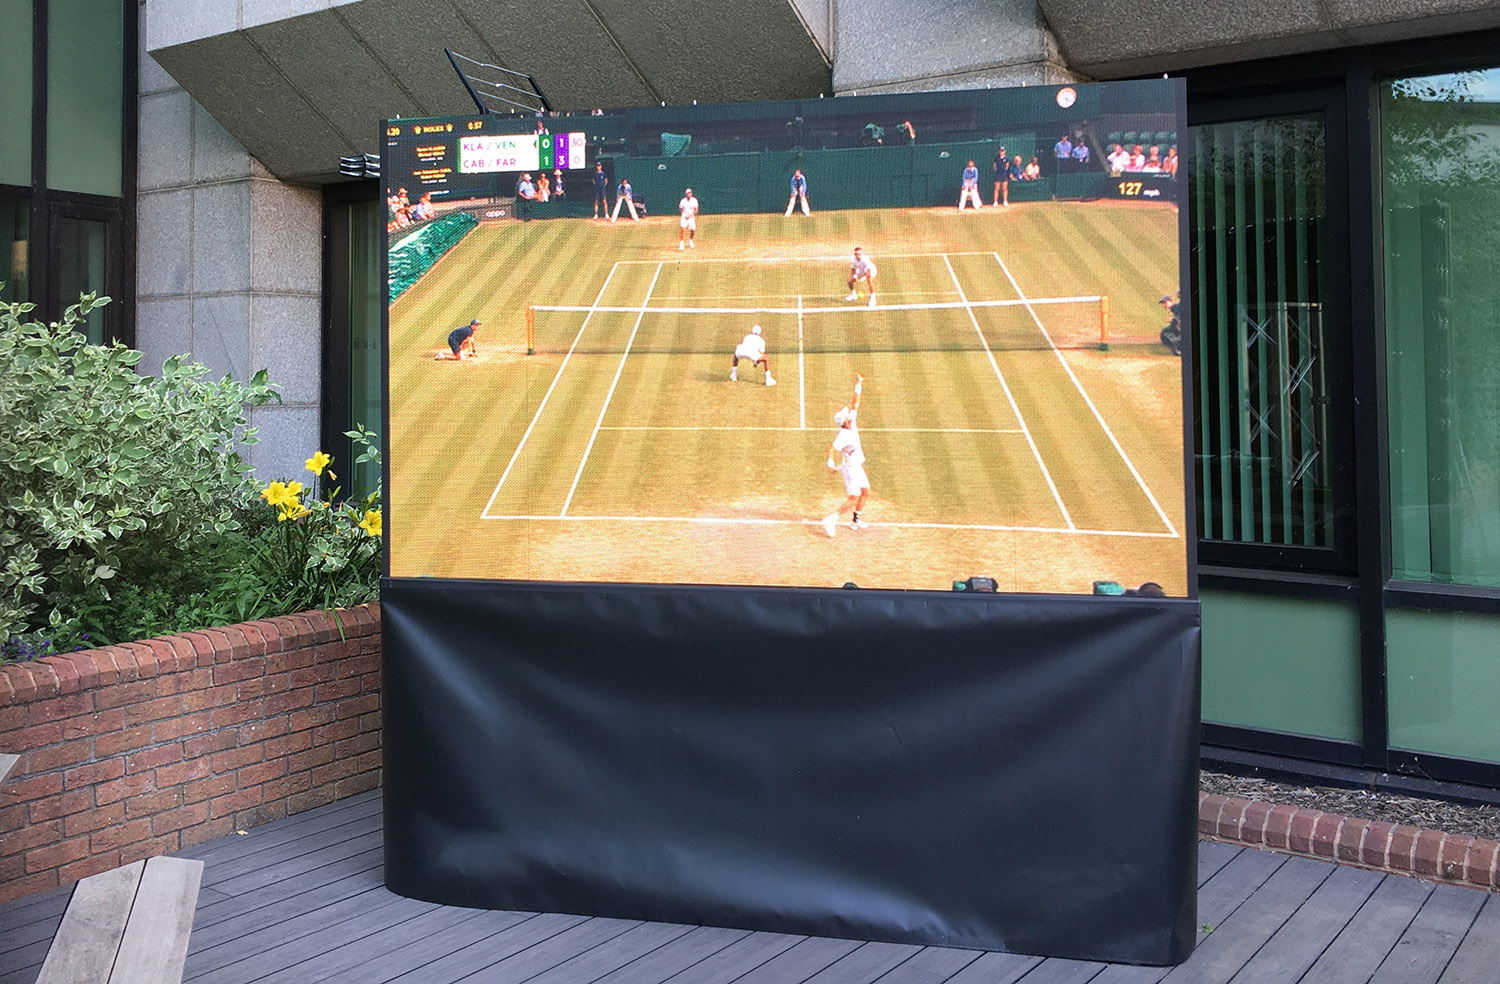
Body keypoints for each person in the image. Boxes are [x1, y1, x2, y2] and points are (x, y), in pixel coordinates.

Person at [821, 374, 870, 536]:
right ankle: (831, 519)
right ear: (844, 421)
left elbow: (855, 403)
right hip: (850, 469)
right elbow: (831, 449)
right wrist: (831, 464)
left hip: (857, 467)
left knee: (865, 492)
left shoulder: (851, 422)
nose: (848, 414)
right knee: (854, 496)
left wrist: (858, 384)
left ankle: (855, 521)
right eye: (846, 415)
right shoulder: (842, 436)